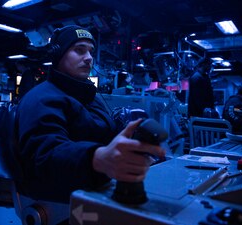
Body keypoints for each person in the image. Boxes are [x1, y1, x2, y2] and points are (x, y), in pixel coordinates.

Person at [14, 25, 165, 203]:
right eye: (79, 50)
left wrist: (130, 143)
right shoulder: (41, 99)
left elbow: (100, 133)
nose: (88, 58)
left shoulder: (88, 96)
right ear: (57, 55)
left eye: (91, 51)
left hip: (97, 185)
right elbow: (45, 155)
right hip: (66, 198)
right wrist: (98, 158)